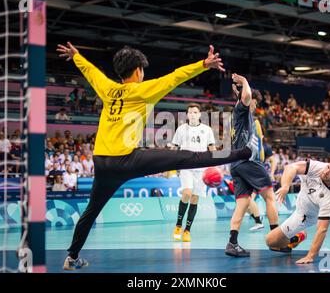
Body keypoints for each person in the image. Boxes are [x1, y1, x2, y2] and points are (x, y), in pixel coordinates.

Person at [56, 42, 257, 270]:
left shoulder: (107, 88)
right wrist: (203, 65)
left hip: (101, 162)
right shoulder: (143, 90)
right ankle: (243, 152)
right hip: (126, 160)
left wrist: (76, 56)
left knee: (91, 211)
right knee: (186, 158)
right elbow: (174, 77)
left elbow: (91, 72)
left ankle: (72, 257)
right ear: (138, 71)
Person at [224, 73, 282, 258]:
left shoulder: (238, 114)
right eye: (255, 103)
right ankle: (276, 241)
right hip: (248, 162)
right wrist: (245, 82)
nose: (255, 106)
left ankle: (232, 243)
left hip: (236, 164)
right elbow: (247, 97)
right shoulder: (242, 109)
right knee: (270, 197)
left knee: (241, 204)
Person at [266, 155, 330, 264]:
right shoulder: (320, 167)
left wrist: (310, 256)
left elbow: (322, 230)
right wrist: (285, 186)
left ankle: (298, 236)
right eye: (328, 167)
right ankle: (295, 235)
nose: (326, 171)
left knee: (270, 241)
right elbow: (291, 167)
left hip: (305, 216)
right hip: (303, 198)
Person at [171, 103, 216, 242]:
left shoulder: (207, 130)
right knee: (187, 193)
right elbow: (174, 148)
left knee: (195, 199)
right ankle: (178, 225)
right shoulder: (181, 129)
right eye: (190, 112)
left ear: (199, 114)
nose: (192, 114)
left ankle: (187, 230)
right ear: (187, 114)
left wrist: (215, 165)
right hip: (186, 166)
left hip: (201, 169)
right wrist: (170, 166)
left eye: (195, 112)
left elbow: (212, 148)